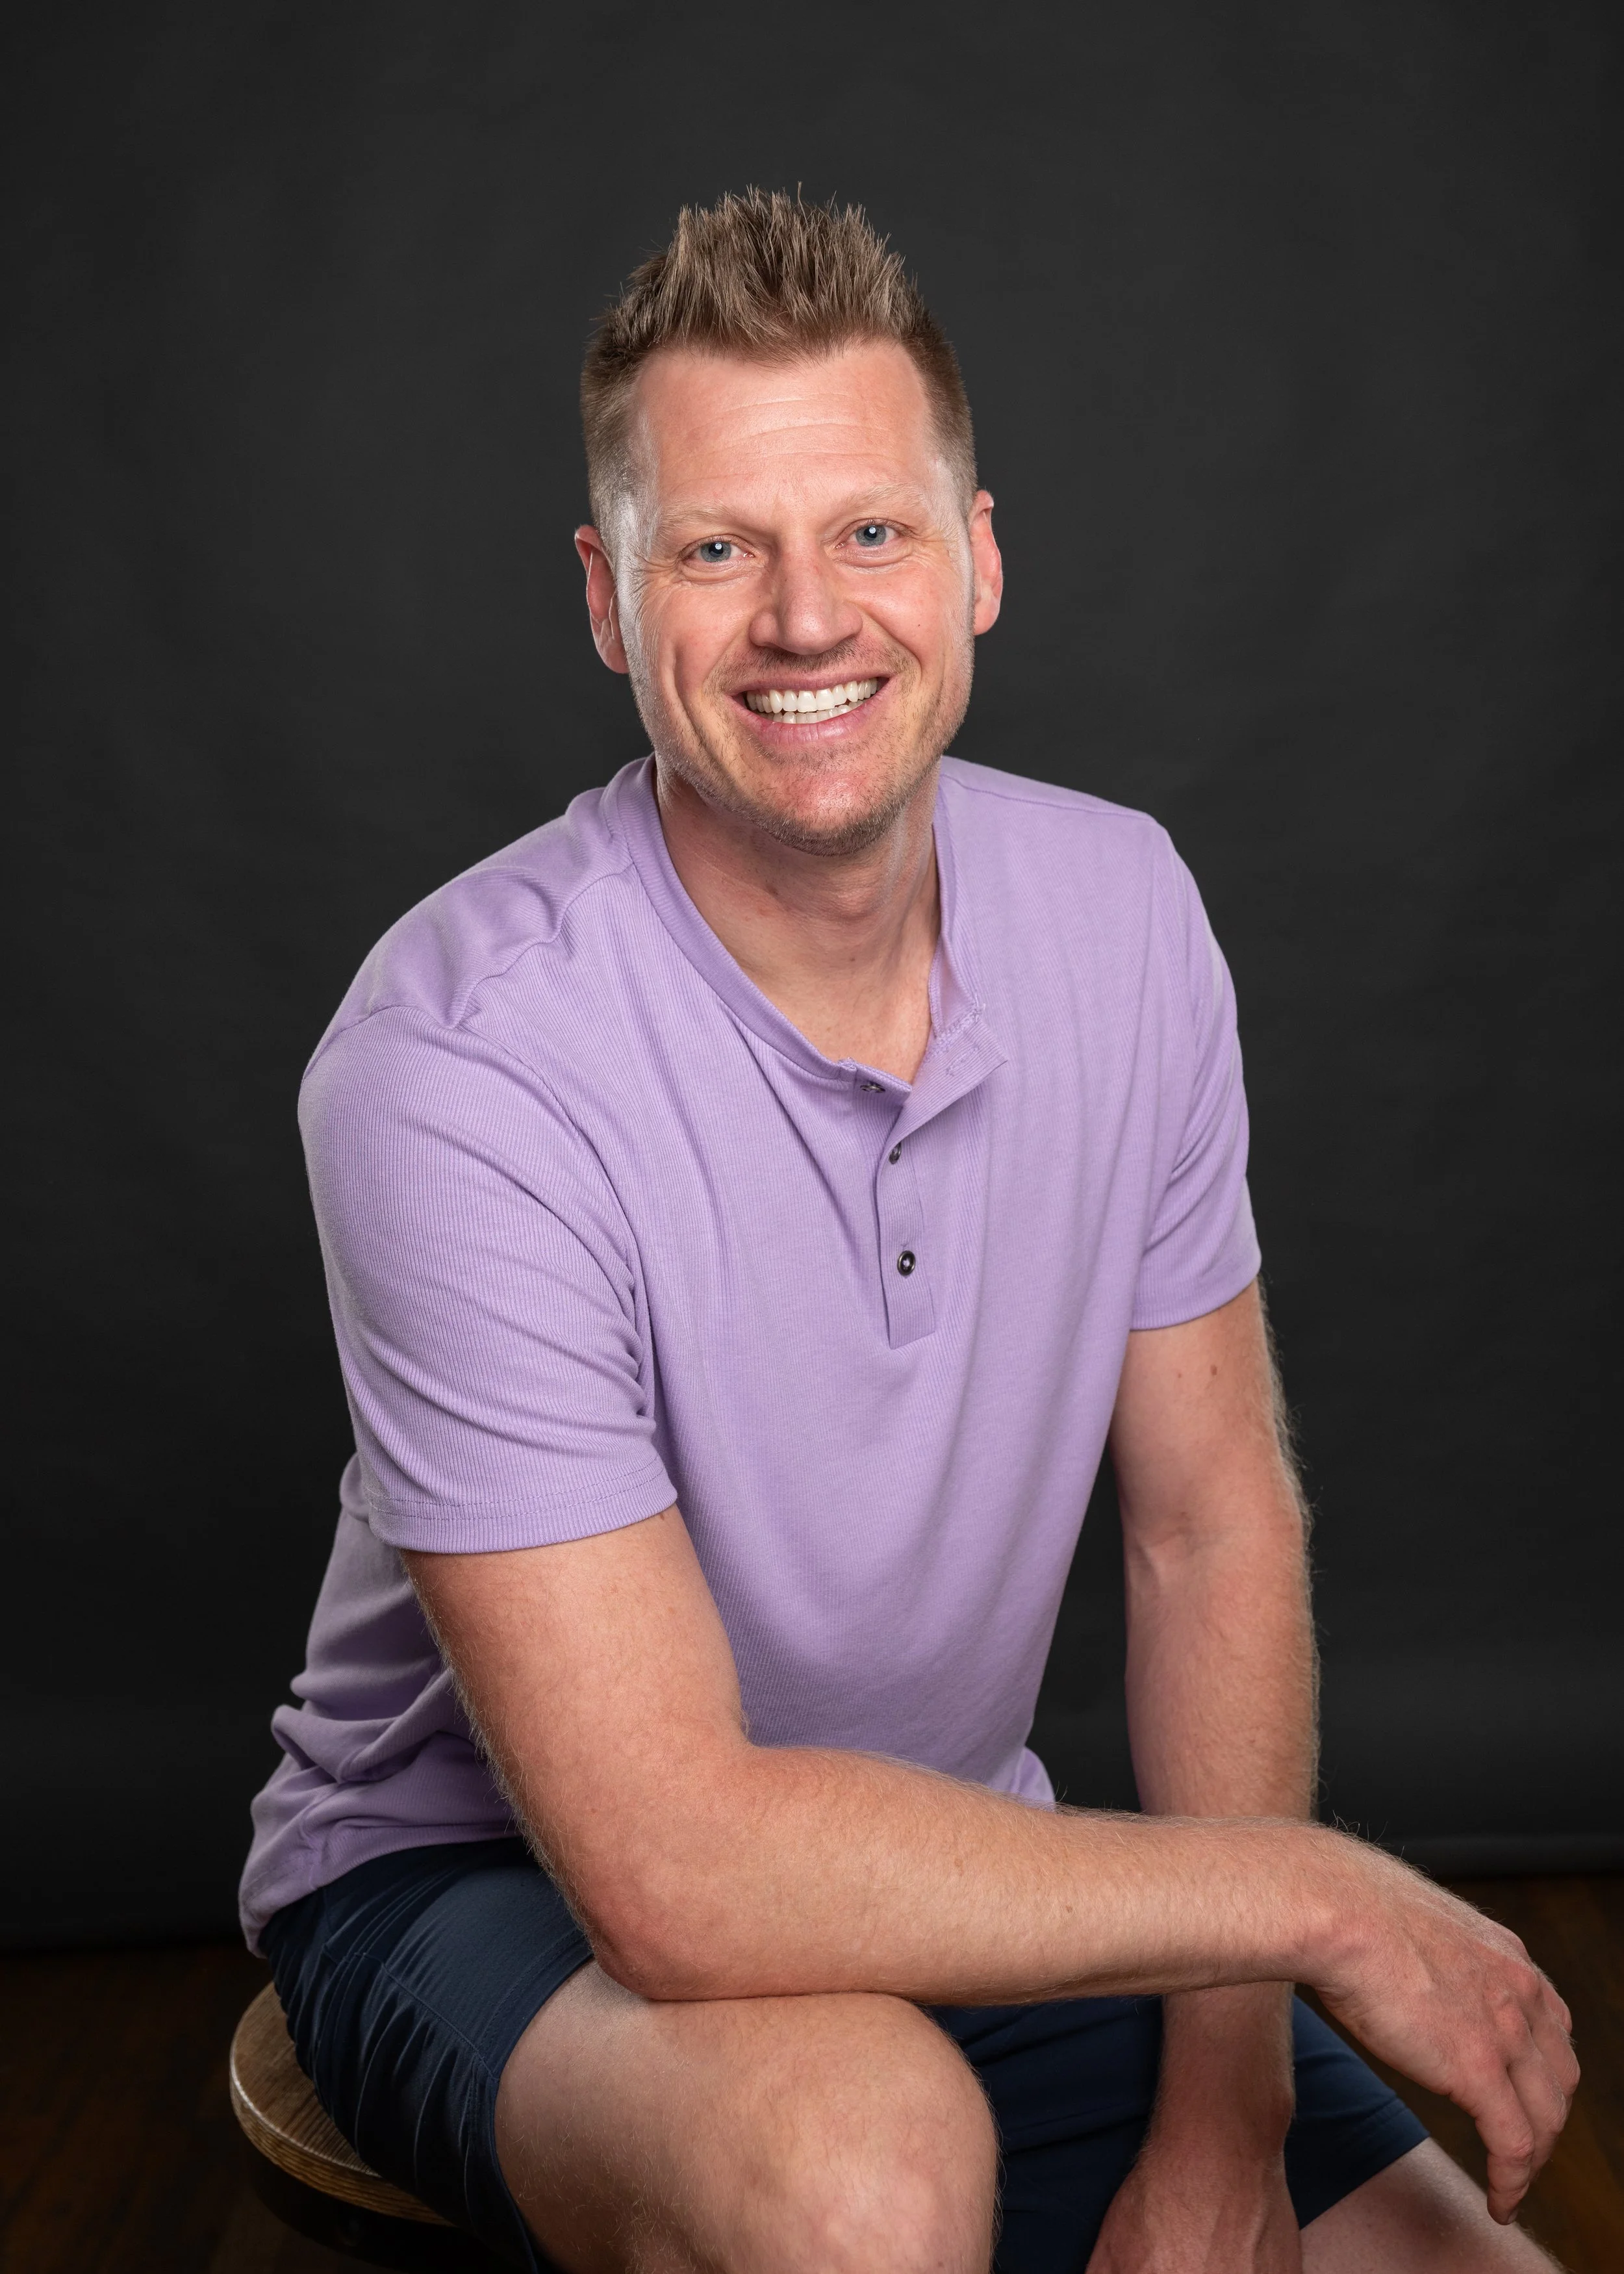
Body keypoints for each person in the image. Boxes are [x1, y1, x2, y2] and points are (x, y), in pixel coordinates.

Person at [241, 190, 1575, 2274]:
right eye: (716, 549)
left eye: (869, 530)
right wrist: (1319, 1896)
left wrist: (1219, 2112)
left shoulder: (1127, 913)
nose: (806, 617)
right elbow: (675, 1868)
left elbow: (1203, 1524)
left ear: (976, 560)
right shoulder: (454, 1069)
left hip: (946, 1855)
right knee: (868, 2169)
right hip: (477, 1886)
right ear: (606, 600)